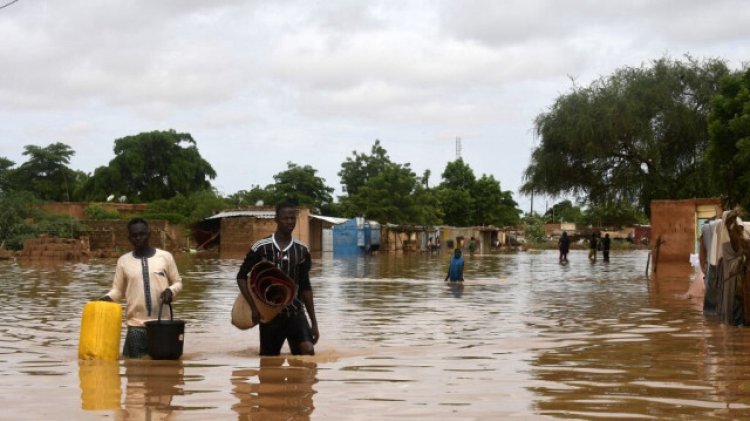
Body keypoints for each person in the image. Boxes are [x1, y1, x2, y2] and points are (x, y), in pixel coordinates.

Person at [236, 201, 319, 356]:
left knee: (308, 351)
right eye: (285, 218)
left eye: (292, 218)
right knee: (268, 362)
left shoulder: (302, 250)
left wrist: (314, 322)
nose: (289, 222)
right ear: (276, 219)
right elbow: (241, 277)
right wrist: (254, 308)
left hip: (295, 313)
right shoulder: (260, 247)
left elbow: (305, 286)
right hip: (269, 316)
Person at [100, 218, 183, 358]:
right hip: (136, 326)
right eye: (134, 235)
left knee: (163, 371)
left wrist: (171, 290)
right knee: (134, 370)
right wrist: (106, 298)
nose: (138, 238)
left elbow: (178, 282)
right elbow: (118, 291)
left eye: (142, 234)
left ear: (149, 234)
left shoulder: (165, 257)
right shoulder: (123, 261)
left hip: (162, 325)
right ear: (129, 238)